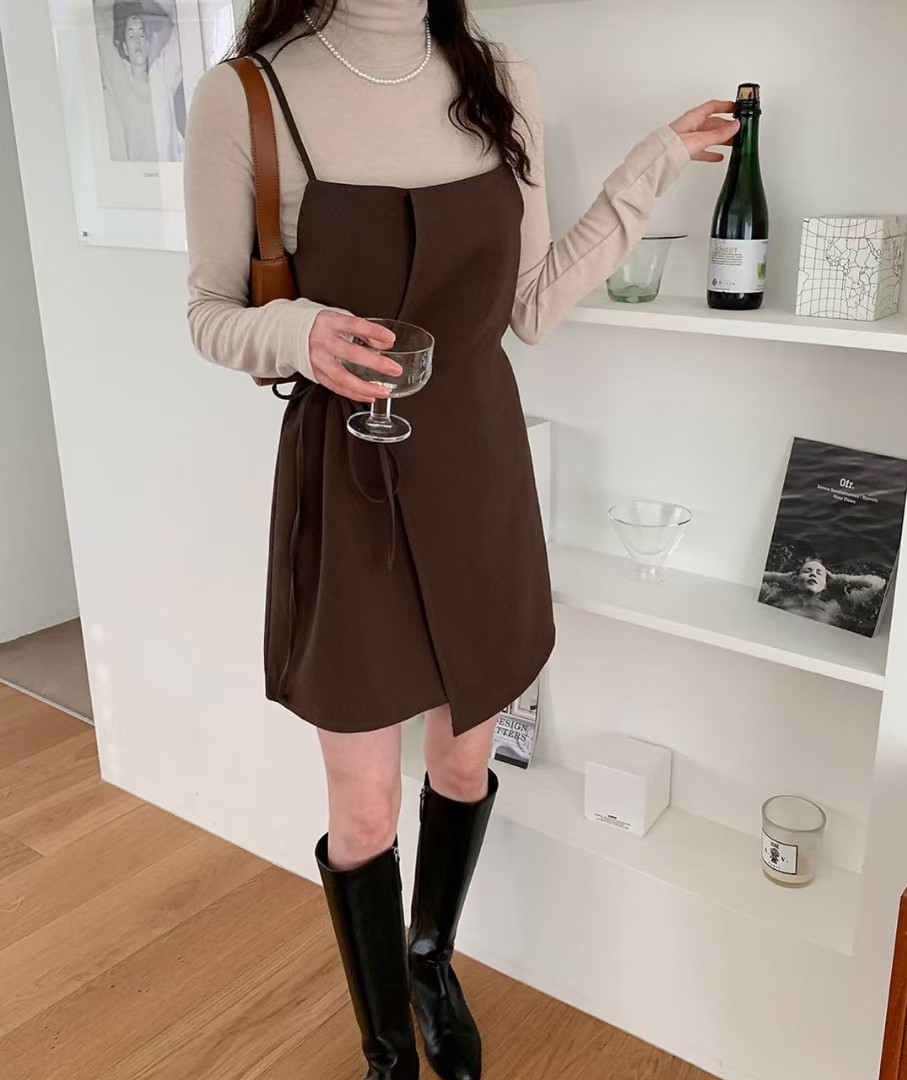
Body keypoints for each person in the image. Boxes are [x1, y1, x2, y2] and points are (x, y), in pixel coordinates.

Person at [183, 3, 737, 1077]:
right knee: (363, 804)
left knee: (465, 756)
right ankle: (387, 1047)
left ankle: (431, 960)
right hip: (347, 478)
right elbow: (210, 311)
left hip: (478, 467)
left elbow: (530, 305)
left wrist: (652, 165)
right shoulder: (247, 95)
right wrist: (300, 331)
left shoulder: (500, 78)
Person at [100, 0, 184, 162]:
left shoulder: (162, 75)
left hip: (169, 173)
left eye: (141, 34)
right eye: (131, 36)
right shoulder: (120, 80)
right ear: (125, 47)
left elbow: (181, 24)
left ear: (148, 43)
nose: (138, 41)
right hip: (132, 174)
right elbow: (100, 19)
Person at [761, 557, 887, 629]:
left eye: (819, 573)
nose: (813, 574)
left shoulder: (836, 605)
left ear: (826, 583)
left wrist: (841, 578)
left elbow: (877, 584)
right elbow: (755, 577)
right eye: (807, 571)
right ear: (795, 580)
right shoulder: (779, 595)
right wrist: (780, 577)